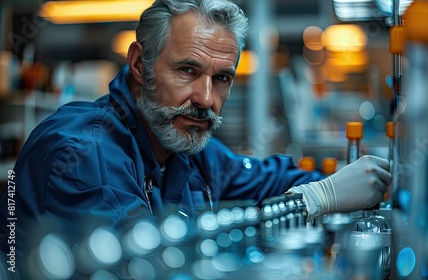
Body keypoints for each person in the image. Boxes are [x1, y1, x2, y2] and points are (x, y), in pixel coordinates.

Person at [0, 0, 391, 278]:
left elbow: (268, 178)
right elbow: (143, 264)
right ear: (140, 64)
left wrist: (336, 186)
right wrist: (316, 200)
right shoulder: (85, 155)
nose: (206, 99)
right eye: (187, 70)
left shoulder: (184, 148)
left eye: (222, 78)